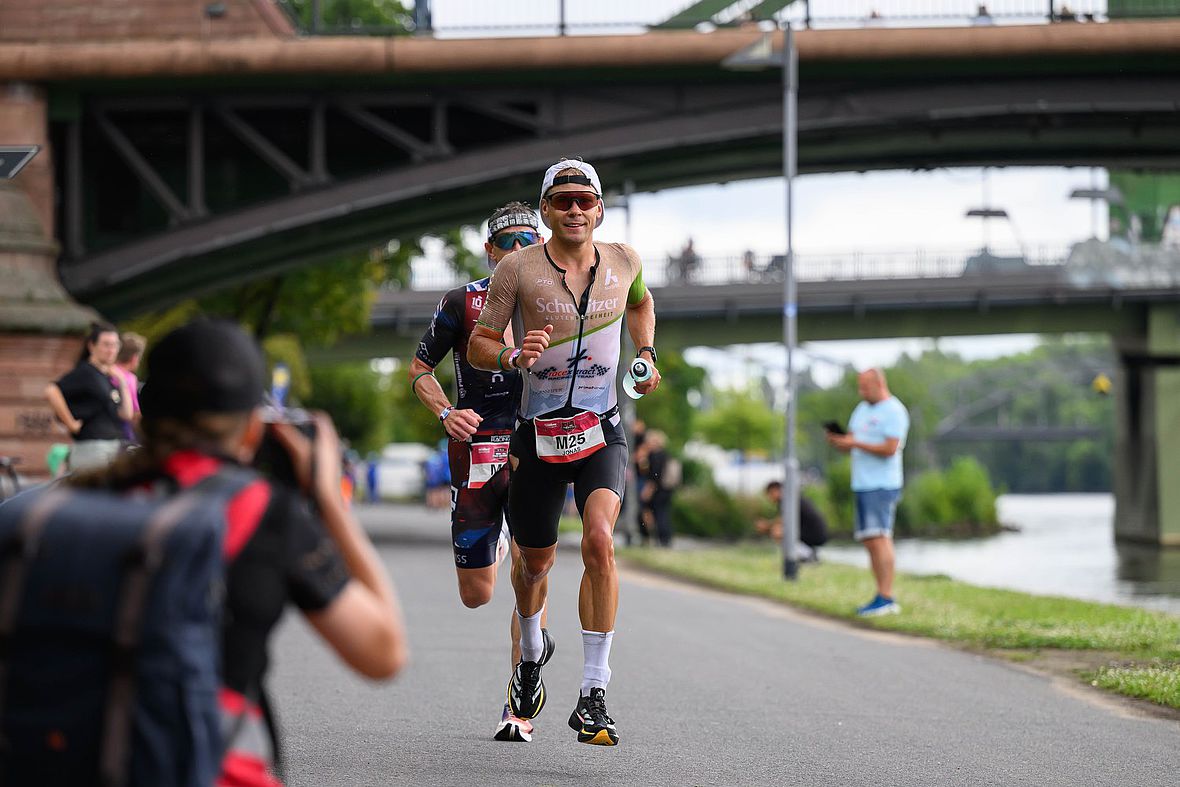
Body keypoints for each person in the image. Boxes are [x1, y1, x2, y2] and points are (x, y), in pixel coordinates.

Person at [63, 318, 408, 783]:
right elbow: (382, 652)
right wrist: (328, 501)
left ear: (145, 416)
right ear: (251, 430)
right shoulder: (262, 512)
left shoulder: (70, 502)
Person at [469, 157, 660, 747]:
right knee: (535, 565)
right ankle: (530, 662)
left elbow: (640, 306)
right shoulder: (517, 271)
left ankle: (594, 693)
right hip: (537, 435)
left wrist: (647, 355)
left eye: (586, 201)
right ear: (547, 209)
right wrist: (511, 356)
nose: (575, 210)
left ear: (599, 209)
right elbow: (479, 343)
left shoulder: (625, 260)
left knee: (600, 542)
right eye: (563, 201)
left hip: (601, 427)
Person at [407, 200, 545, 742]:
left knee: (531, 574)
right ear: (491, 251)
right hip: (477, 450)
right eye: (508, 243)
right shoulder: (462, 302)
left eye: (527, 241)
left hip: (536, 447)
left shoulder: (554, 301)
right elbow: (420, 369)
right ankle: (504, 541)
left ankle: (520, 702)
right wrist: (446, 411)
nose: (519, 251)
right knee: (476, 594)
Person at [826, 368, 910, 616]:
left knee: (880, 537)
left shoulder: (894, 411)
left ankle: (887, 598)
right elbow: (852, 442)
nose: (861, 392)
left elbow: (890, 448)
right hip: (861, 483)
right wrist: (841, 442)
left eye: (865, 387)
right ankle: (879, 595)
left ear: (879, 384)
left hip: (882, 484)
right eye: (859, 387)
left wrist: (855, 443)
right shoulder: (861, 410)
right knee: (869, 540)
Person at [43, 322, 133, 472]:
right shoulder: (85, 372)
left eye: (115, 345)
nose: (111, 350)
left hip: (112, 446)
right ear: (92, 346)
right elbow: (51, 390)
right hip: (92, 448)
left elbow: (126, 414)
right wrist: (70, 423)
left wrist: (123, 382)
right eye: (106, 345)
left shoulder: (106, 376)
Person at [755, 480, 829, 562]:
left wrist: (766, 525)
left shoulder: (788, 501)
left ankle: (807, 556)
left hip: (815, 533)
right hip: (812, 532)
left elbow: (783, 521)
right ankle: (806, 553)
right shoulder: (791, 499)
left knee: (777, 532)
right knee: (779, 530)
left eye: (770, 494)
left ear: (776, 490)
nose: (769, 498)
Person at [639, 430, 677, 547]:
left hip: (657, 490)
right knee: (663, 513)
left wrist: (648, 490)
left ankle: (657, 539)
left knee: (656, 514)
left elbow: (654, 475)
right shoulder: (666, 455)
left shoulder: (654, 455)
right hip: (667, 489)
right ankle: (665, 539)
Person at [112, 331, 146, 442]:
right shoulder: (129, 378)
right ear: (135, 358)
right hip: (123, 434)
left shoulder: (108, 371)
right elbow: (134, 413)